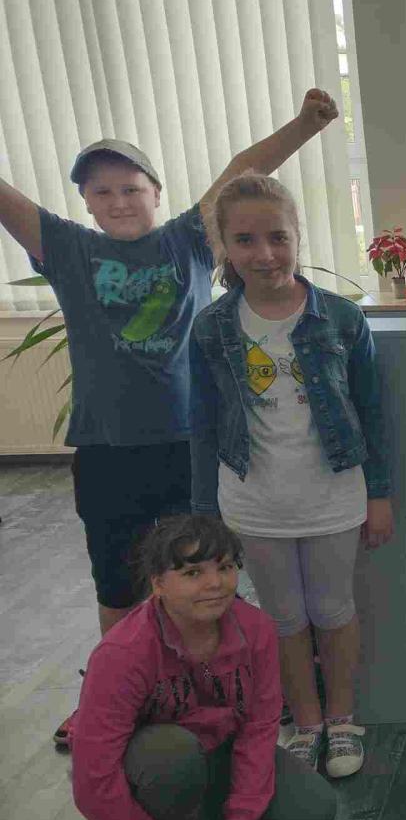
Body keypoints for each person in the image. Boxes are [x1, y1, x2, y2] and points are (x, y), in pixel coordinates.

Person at [0, 89, 340, 747]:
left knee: (209, 573)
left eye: (131, 188)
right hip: (108, 450)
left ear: (155, 193)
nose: (118, 201)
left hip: (191, 446)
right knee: (117, 584)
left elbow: (243, 169)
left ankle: (228, 687)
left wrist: (304, 125)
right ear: (86, 203)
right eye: (102, 192)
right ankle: (108, 697)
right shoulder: (68, 249)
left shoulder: (187, 240)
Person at [190, 172, 392, 780]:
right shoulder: (211, 327)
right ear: (225, 247)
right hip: (252, 499)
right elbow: (202, 423)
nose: (264, 254)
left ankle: (343, 719)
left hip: (332, 493)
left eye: (277, 237)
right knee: (282, 619)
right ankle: (305, 723)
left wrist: (379, 493)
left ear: (297, 237)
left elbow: (373, 412)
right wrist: (205, 512)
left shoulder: (341, 318)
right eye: (245, 240)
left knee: (332, 608)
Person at [71, 515, 336, 820]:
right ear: (158, 584)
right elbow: (93, 778)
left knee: (314, 812)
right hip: (158, 767)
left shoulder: (257, 629)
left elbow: (259, 728)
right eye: (193, 572)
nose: (215, 583)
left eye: (225, 567)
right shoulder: (121, 655)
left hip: (219, 755)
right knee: (170, 751)